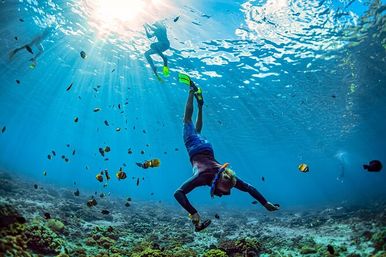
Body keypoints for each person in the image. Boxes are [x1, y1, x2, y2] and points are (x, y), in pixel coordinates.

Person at [174, 74, 280, 232]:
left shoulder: (227, 178)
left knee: (197, 132)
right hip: (195, 149)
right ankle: (191, 90)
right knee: (187, 121)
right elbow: (178, 193)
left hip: (207, 147)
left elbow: (249, 187)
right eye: (223, 191)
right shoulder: (203, 177)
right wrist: (193, 212)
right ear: (216, 183)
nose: (223, 195)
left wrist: (265, 203)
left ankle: (201, 106)